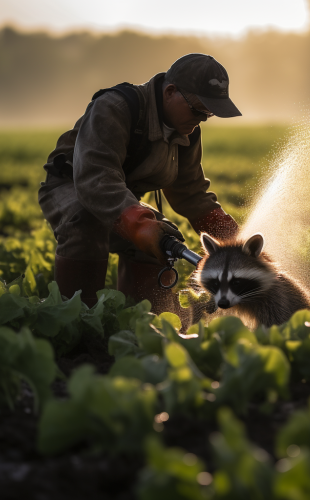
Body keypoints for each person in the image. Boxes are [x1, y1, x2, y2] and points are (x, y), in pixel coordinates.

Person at [38, 53, 241, 314]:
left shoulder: (188, 132)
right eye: (198, 110)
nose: (201, 120)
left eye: (208, 114)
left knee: (164, 238)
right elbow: (96, 178)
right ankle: (77, 319)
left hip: (124, 198)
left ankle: (142, 319)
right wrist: (139, 223)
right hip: (72, 186)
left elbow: (190, 191)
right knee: (86, 222)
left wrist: (233, 239)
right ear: (170, 92)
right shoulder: (115, 107)